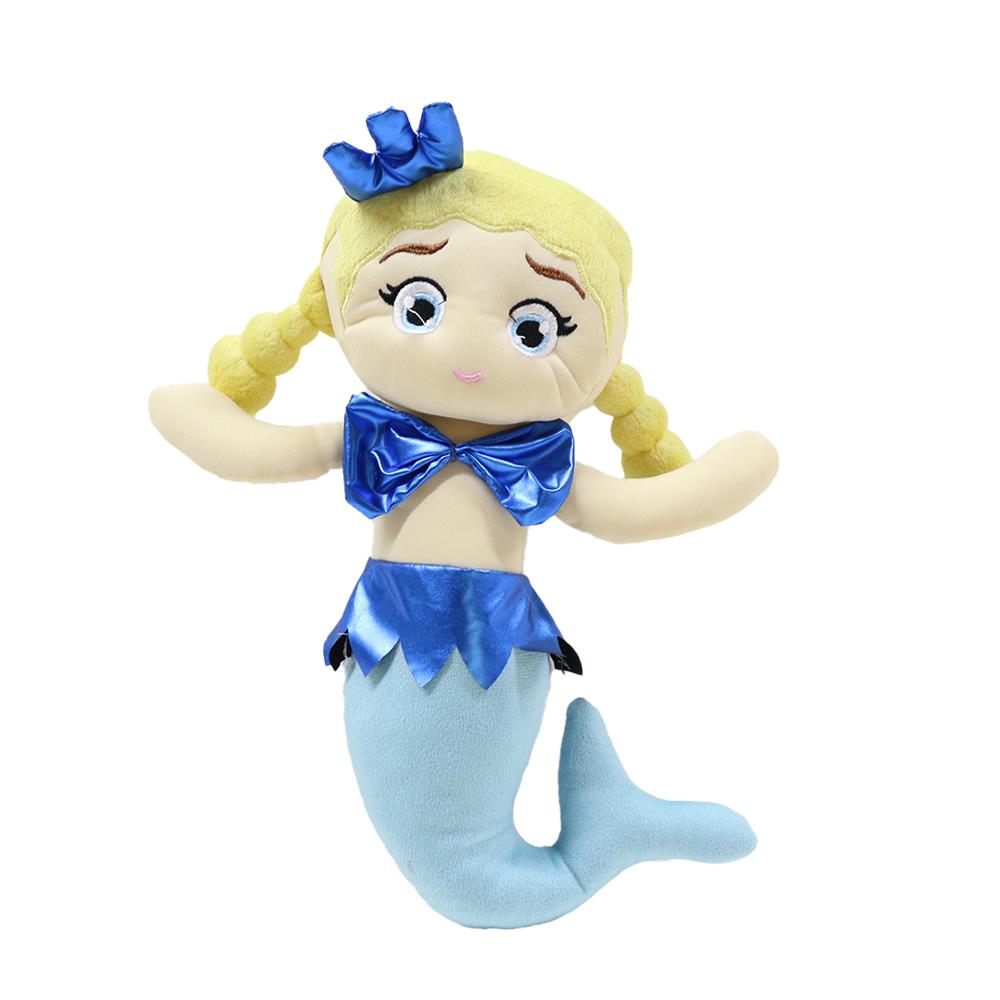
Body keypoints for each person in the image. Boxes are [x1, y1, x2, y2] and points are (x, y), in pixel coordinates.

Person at [149, 102, 779, 928]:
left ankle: (596, 840)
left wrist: (732, 471)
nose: (471, 353)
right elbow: (254, 449)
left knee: (459, 854)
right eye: (419, 306)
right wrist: (195, 407)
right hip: (399, 635)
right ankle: (604, 835)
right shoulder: (373, 436)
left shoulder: (536, 458)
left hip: (490, 644)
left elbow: (629, 509)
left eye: (533, 328)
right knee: (447, 850)